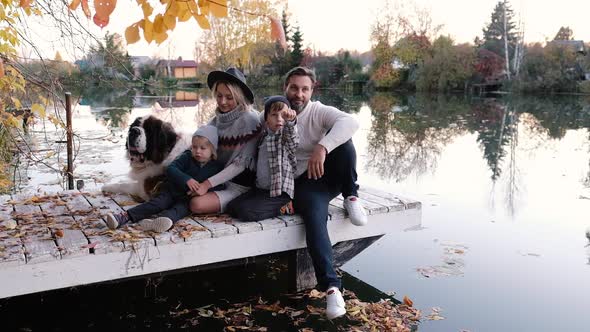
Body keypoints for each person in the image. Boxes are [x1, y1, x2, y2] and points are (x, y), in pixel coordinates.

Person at [284, 66, 367, 320]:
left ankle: (351, 195)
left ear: (312, 91)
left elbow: (351, 122)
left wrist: (322, 146)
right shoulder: (276, 113)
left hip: (328, 177)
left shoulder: (318, 111)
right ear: (285, 88)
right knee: (314, 218)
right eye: (294, 88)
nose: (299, 94)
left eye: (304, 89)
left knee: (345, 142)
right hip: (304, 185)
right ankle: (332, 288)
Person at [105, 125, 223, 233]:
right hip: (171, 191)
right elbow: (171, 168)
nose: (197, 151)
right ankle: (124, 216)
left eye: (203, 148)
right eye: (195, 147)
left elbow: (219, 184)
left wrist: (203, 190)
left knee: (179, 211)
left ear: (212, 150)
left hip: (187, 199)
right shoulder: (187, 157)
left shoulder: (216, 167)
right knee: (157, 203)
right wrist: (187, 179)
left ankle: (160, 222)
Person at [188, 67, 262, 215]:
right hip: (216, 179)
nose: (222, 102)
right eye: (219, 96)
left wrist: (206, 185)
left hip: (239, 186)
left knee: (196, 204)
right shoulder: (214, 122)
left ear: (239, 97)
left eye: (229, 97)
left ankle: (240, 202)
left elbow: (240, 165)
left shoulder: (251, 121)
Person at [226, 96, 298, 221]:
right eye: (274, 115)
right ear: (266, 120)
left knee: (246, 212)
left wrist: (290, 123)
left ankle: (284, 207)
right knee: (231, 207)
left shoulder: (284, 137)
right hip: (261, 189)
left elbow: (293, 141)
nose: (279, 119)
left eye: (283, 115)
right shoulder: (263, 137)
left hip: (279, 193)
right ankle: (260, 204)